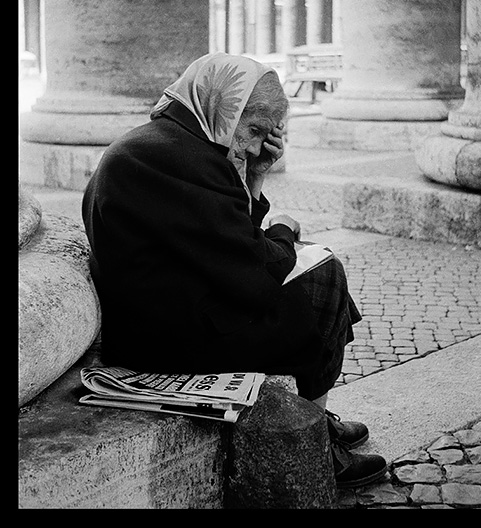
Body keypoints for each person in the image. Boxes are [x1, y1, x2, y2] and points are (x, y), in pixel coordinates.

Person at [82, 51, 387, 487]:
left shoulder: (165, 144)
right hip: (171, 343)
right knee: (326, 279)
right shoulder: (183, 159)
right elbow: (255, 279)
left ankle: (316, 417)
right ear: (222, 107)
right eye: (253, 130)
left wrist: (256, 177)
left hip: (165, 317)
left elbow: (226, 244)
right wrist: (282, 231)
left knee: (318, 281)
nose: (251, 146)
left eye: (266, 133)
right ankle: (316, 451)